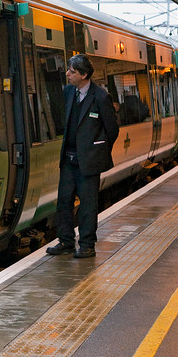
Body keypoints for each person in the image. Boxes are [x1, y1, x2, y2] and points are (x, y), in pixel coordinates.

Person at [47, 54, 120, 259]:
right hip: (69, 159)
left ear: (84, 75)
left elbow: (112, 129)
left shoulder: (100, 97)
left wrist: (97, 151)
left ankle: (87, 245)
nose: (68, 74)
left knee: (88, 204)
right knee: (64, 200)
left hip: (89, 161)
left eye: (72, 71)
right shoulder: (70, 92)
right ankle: (66, 241)